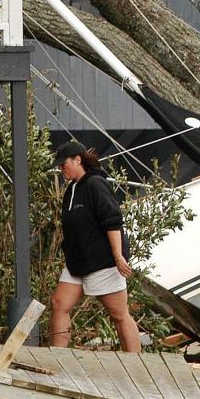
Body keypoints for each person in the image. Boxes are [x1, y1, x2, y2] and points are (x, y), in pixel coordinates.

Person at [50, 140, 142, 352]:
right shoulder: (72, 189)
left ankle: (137, 363)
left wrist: (118, 256)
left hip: (104, 261)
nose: (60, 168)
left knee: (119, 315)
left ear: (77, 160)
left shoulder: (95, 184)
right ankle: (56, 356)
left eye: (63, 164)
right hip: (78, 262)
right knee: (58, 304)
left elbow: (113, 221)